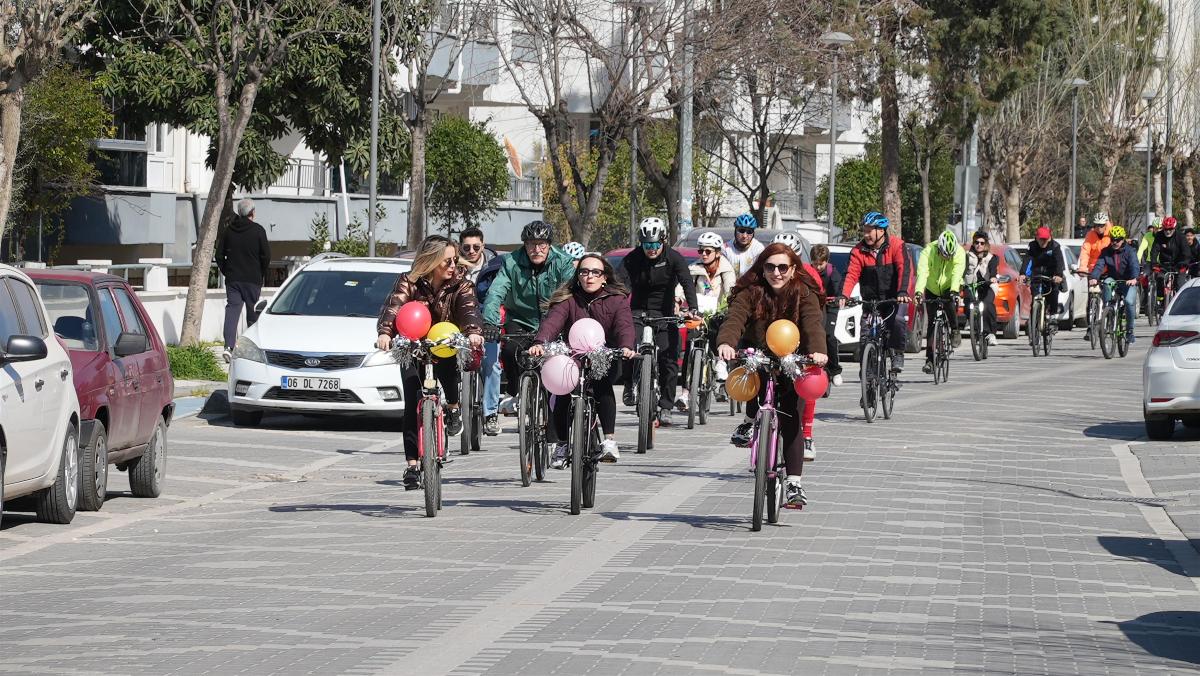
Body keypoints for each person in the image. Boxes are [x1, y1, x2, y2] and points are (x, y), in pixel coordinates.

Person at [717, 243, 827, 508]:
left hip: (794, 358)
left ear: (792, 270)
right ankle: (748, 420)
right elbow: (735, 318)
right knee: (753, 385)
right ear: (762, 268)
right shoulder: (752, 291)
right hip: (761, 354)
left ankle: (794, 484)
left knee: (791, 420)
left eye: (782, 267)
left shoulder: (804, 292)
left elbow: (812, 323)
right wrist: (726, 343)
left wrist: (817, 352)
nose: (776, 272)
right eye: (770, 267)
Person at [375, 236, 484, 490]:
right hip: (413, 346)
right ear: (432, 261)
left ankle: (454, 406)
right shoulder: (409, 281)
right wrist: (385, 333)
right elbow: (394, 307)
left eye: (455, 260)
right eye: (447, 261)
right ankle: (412, 466)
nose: (452, 266)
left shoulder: (461, 285)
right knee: (412, 401)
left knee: (447, 367)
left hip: (444, 343)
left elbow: (468, 309)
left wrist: (473, 331)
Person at [529, 254, 636, 467]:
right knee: (562, 390)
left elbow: (624, 325)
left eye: (595, 272)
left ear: (604, 277)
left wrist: (626, 347)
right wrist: (540, 342)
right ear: (578, 276)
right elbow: (552, 322)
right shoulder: (569, 299)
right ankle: (561, 444)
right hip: (574, 356)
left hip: (605, 354)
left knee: (602, 384)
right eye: (584, 272)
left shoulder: (617, 299)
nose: (589, 277)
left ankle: (609, 441)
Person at [482, 221, 577, 417]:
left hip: (553, 320)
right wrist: (490, 322)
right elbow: (496, 292)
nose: (536, 249)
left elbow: (571, 295)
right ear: (524, 245)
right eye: (531, 244)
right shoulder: (511, 262)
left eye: (542, 244)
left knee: (556, 364)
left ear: (549, 245)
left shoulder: (563, 262)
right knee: (509, 351)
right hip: (520, 318)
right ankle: (516, 391)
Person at [619, 217, 698, 426]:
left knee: (668, 359)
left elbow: (687, 282)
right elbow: (620, 285)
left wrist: (693, 308)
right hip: (637, 311)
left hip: (664, 314)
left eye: (655, 244)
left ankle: (665, 406)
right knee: (627, 348)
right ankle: (629, 384)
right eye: (647, 245)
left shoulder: (674, 258)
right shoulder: (632, 258)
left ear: (663, 240)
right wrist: (617, 306)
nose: (651, 249)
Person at [839, 212, 911, 373]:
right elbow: (851, 274)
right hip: (871, 302)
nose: (866, 234)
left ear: (881, 231)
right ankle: (867, 385)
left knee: (898, 320)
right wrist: (844, 295)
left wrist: (902, 292)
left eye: (869, 230)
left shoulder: (896, 245)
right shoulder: (859, 251)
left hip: (893, 299)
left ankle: (897, 353)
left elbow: (904, 270)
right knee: (865, 338)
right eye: (864, 230)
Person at [675, 231, 735, 409]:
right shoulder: (695, 268)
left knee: (719, 333)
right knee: (691, 348)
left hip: (718, 313)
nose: (703, 255)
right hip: (698, 314)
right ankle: (685, 394)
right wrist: (677, 300)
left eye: (708, 251)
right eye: (701, 251)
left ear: (718, 252)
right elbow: (682, 286)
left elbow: (731, 290)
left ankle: (721, 364)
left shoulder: (726, 269)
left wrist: (729, 306)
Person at [459, 228, 505, 436]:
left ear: (483, 246)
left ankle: (491, 414)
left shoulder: (495, 267)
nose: (471, 251)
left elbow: (499, 296)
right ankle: (451, 407)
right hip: (460, 322)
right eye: (466, 247)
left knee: (492, 364)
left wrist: (492, 323)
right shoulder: (454, 267)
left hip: (488, 322)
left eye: (476, 247)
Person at [216, 198, 271, 362]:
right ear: (252, 213)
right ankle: (250, 349)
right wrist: (260, 272)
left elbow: (219, 255)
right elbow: (266, 256)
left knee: (232, 311)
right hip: (252, 279)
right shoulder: (258, 230)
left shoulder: (229, 231)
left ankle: (228, 347)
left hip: (233, 279)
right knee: (252, 312)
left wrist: (227, 271)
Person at [915, 230, 966, 374]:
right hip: (931, 287)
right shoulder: (928, 251)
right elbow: (923, 271)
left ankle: (955, 330)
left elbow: (957, 272)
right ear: (939, 248)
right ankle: (930, 361)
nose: (946, 258)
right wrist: (919, 291)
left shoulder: (960, 253)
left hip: (950, 285)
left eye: (949, 255)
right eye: (944, 254)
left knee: (950, 305)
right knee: (932, 323)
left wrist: (955, 290)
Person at [1088, 225, 1140, 343]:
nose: (1115, 242)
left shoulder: (1130, 251)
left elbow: (1134, 266)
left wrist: (1134, 278)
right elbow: (1099, 265)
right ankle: (1109, 307)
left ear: (1123, 240)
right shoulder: (1106, 251)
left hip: (1128, 281)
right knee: (1106, 282)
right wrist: (1094, 277)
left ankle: (1129, 331)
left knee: (1128, 302)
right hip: (1114, 279)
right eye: (1113, 239)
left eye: (1118, 240)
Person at [810, 244, 844, 386]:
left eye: (821, 264)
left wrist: (839, 297)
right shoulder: (808, 272)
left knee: (829, 335)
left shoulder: (832, 273)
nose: (818, 267)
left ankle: (835, 370)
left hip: (830, 306)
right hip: (815, 307)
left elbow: (839, 291)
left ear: (827, 261)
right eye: (815, 264)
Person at [1075, 213, 1111, 340]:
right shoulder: (1090, 235)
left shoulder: (1111, 234)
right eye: (1096, 225)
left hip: (1108, 269)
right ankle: (1090, 327)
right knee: (1091, 297)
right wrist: (1082, 268)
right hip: (1093, 270)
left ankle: (1109, 316)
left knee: (1108, 293)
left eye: (1101, 226)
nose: (1099, 228)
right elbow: (1085, 252)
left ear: (1105, 224)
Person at [1020, 226, 1065, 320]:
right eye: (1041, 239)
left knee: (1053, 293)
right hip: (1036, 274)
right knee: (1035, 298)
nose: (1043, 242)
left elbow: (1059, 261)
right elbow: (1027, 259)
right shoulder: (1032, 246)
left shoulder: (1055, 246)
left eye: (1045, 239)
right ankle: (1033, 323)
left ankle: (1052, 316)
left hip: (1051, 275)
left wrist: (1058, 275)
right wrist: (1023, 273)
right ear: (1036, 238)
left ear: (1049, 238)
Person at [963, 232, 1000, 346]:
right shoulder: (967, 256)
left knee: (987, 304)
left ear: (986, 244)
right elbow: (961, 269)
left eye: (982, 243)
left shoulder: (991, 258)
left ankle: (990, 334)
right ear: (973, 243)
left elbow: (993, 269)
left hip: (987, 285)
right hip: (971, 285)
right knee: (968, 301)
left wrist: (993, 277)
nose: (979, 245)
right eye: (976, 242)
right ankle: (972, 321)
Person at [1148, 216, 1193, 287]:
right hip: (1164, 264)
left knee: (1179, 284)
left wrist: (1184, 263)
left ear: (1174, 228)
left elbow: (1186, 252)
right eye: (1165, 229)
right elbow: (1154, 251)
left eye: (1170, 229)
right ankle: (1161, 298)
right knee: (1159, 280)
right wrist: (1154, 264)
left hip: (1179, 264)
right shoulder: (1159, 236)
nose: (1168, 231)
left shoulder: (1181, 237)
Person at [723, 213, 766, 277]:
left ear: (753, 233)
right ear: (735, 231)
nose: (744, 236)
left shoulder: (758, 248)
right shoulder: (725, 248)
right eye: (741, 230)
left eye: (749, 232)